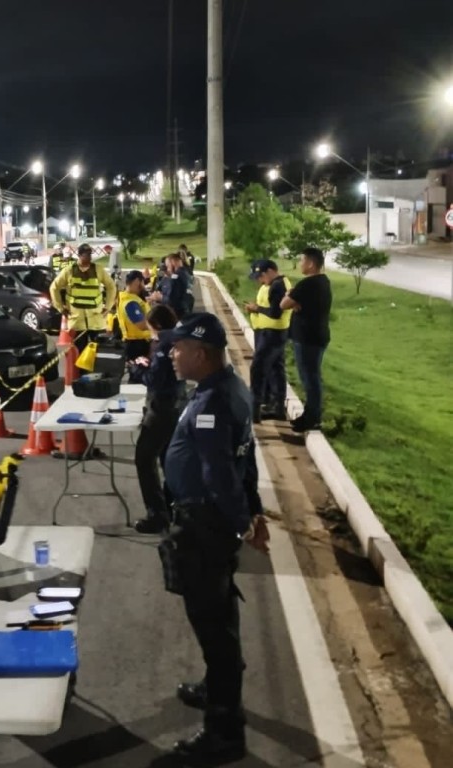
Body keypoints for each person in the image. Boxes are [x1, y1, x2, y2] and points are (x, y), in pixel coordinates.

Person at [161, 312, 269, 764]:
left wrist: (244, 520)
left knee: (212, 622)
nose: (171, 353)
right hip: (213, 525)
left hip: (204, 527)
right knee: (219, 612)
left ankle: (224, 732)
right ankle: (216, 685)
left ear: (200, 354)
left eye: (178, 347)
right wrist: (254, 511)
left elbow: (220, 474)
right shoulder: (231, 388)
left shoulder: (209, 406)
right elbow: (246, 459)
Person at [132, 304, 182, 534]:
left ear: (158, 326)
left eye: (151, 328)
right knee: (168, 458)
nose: (150, 332)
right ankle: (172, 506)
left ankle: (157, 515)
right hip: (175, 405)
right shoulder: (178, 338)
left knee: (144, 458)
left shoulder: (163, 346)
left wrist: (138, 370)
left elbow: (155, 380)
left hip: (161, 409)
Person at [280, 247, 332, 432]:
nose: (300, 263)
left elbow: (283, 304)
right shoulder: (323, 281)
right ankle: (310, 414)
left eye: (302, 260)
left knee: (309, 378)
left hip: (307, 338)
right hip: (317, 336)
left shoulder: (307, 284)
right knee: (312, 377)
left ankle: (312, 418)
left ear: (311, 263)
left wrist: (289, 295)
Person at [244, 259, 292, 423]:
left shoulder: (277, 286)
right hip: (274, 332)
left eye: (262, 275)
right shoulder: (278, 283)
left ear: (272, 271)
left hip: (271, 334)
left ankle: (254, 410)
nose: (260, 279)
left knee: (258, 369)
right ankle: (277, 408)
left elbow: (275, 312)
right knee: (276, 369)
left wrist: (256, 309)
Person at [49, 243, 117, 349]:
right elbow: (54, 288)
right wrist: (60, 308)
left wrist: (108, 307)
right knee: (80, 355)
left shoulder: (98, 269)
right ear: (80, 255)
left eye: (90, 255)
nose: (89, 257)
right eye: (86, 255)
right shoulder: (69, 270)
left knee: (99, 355)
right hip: (77, 322)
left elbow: (111, 287)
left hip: (96, 321)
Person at [116, 270, 152, 361]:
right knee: (140, 372)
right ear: (137, 281)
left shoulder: (125, 297)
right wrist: (160, 325)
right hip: (137, 345)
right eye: (143, 282)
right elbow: (141, 325)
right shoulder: (131, 303)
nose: (144, 286)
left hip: (134, 343)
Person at [151, 252, 191, 319]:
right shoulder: (183, 273)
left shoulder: (177, 277)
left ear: (173, 262)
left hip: (176, 314)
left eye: (167, 266)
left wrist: (160, 297)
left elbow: (172, 300)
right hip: (181, 312)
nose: (167, 268)